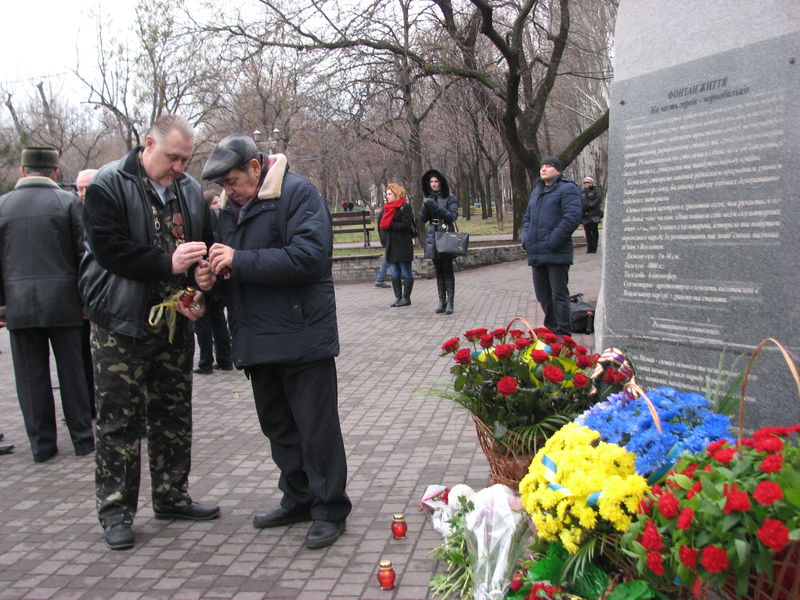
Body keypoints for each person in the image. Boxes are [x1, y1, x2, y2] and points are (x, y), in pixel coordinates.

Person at [196, 133, 351, 550]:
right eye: (222, 186)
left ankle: (329, 507)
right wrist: (211, 282)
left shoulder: (297, 193)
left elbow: (310, 256)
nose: (227, 191)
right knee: (279, 429)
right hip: (256, 338)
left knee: (316, 428)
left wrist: (239, 260)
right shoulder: (229, 210)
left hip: (302, 335)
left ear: (254, 166)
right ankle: (298, 498)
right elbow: (233, 276)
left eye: (232, 181)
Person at [80, 114, 220, 551]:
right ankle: (117, 511)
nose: (179, 166)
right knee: (119, 419)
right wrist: (167, 264)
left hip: (174, 324)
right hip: (120, 323)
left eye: (186, 159)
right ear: (148, 145)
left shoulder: (190, 191)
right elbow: (110, 251)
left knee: (173, 413)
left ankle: (172, 495)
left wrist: (201, 286)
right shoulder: (108, 185)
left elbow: (203, 249)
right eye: (173, 157)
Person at [0, 146, 94, 462]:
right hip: (65, 304)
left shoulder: (3, 206)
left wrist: (2, 307)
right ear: (55, 172)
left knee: (30, 378)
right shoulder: (68, 203)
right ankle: (83, 439)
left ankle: (42, 445)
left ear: (23, 171)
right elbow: (84, 255)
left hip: (19, 305)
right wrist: (85, 299)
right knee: (73, 373)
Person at [521, 156, 582, 335]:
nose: (544, 169)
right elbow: (527, 218)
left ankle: (563, 334)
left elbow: (571, 217)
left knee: (559, 296)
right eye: (542, 166)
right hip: (536, 252)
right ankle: (553, 330)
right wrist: (526, 238)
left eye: (548, 166)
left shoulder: (567, 188)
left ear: (558, 170)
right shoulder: (537, 191)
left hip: (557, 252)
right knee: (543, 296)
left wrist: (553, 240)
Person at [193, 190, 232, 374]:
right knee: (217, 319)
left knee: (203, 321)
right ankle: (225, 359)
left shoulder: (199, 216)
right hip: (214, 271)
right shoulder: (215, 217)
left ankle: (205, 362)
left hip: (203, 273)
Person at [75, 169, 99, 413]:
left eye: (87, 187)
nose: (83, 193)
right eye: (79, 189)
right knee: (83, 356)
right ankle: (89, 405)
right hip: (82, 297)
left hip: (100, 298)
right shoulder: (73, 211)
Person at [419, 169, 459, 314]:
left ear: (441, 182)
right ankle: (442, 301)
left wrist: (437, 208)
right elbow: (422, 219)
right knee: (438, 270)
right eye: (431, 182)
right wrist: (425, 206)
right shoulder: (428, 198)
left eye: (436, 181)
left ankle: (451, 302)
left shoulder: (449, 197)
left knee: (447, 269)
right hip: (432, 233)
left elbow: (452, 216)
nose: (434, 184)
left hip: (446, 233)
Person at [380, 183, 415, 307]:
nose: (387, 197)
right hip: (391, 245)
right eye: (387, 194)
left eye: (389, 194)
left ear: (396, 194)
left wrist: (390, 224)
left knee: (406, 271)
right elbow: (382, 225)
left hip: (403, 245)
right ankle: (398, 297)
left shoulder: (404, 207)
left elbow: (406, 225)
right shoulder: (387, 208)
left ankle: (406, 298)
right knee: (394, 272)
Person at [580, 176, 603, 254]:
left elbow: (598, 200)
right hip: (585, 215)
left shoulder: (596, 191)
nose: (586, 184)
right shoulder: (582, 192)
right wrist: (582, 208)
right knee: (587, 232)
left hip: (594, 214)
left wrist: (590, 205)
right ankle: (589, 248)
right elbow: (579, 201)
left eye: (588, 182)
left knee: (594, 231)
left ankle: (594, 248)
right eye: (585, 182)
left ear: (592, 183)